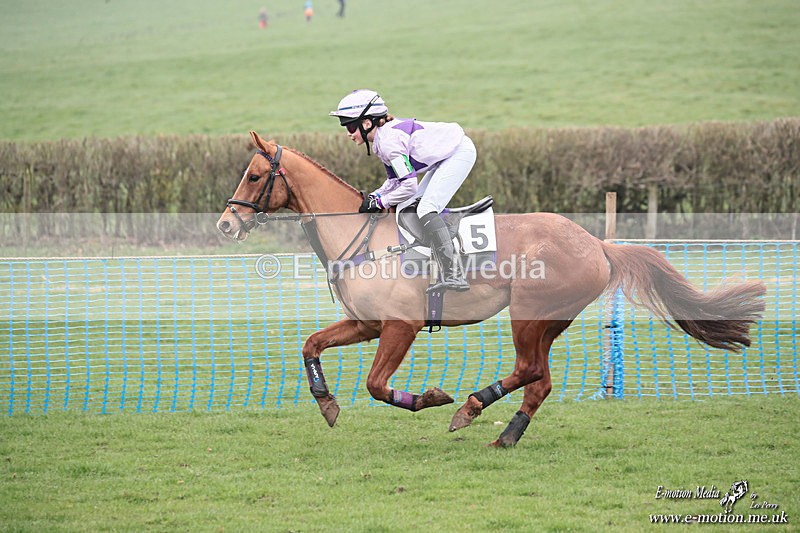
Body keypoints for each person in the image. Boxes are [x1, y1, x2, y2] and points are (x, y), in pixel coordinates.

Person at [329, 89, 476, 292]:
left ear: (367, 123)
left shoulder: (388, 143)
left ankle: (454, 275)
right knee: (407, 206)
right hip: (445, 157)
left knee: (425, 208)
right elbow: (394, 181)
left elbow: (408, 186)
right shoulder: (382, 140)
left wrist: (381, 202)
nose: (348, 133)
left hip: (458, 152)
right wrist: (376, 196)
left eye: (351, 126)